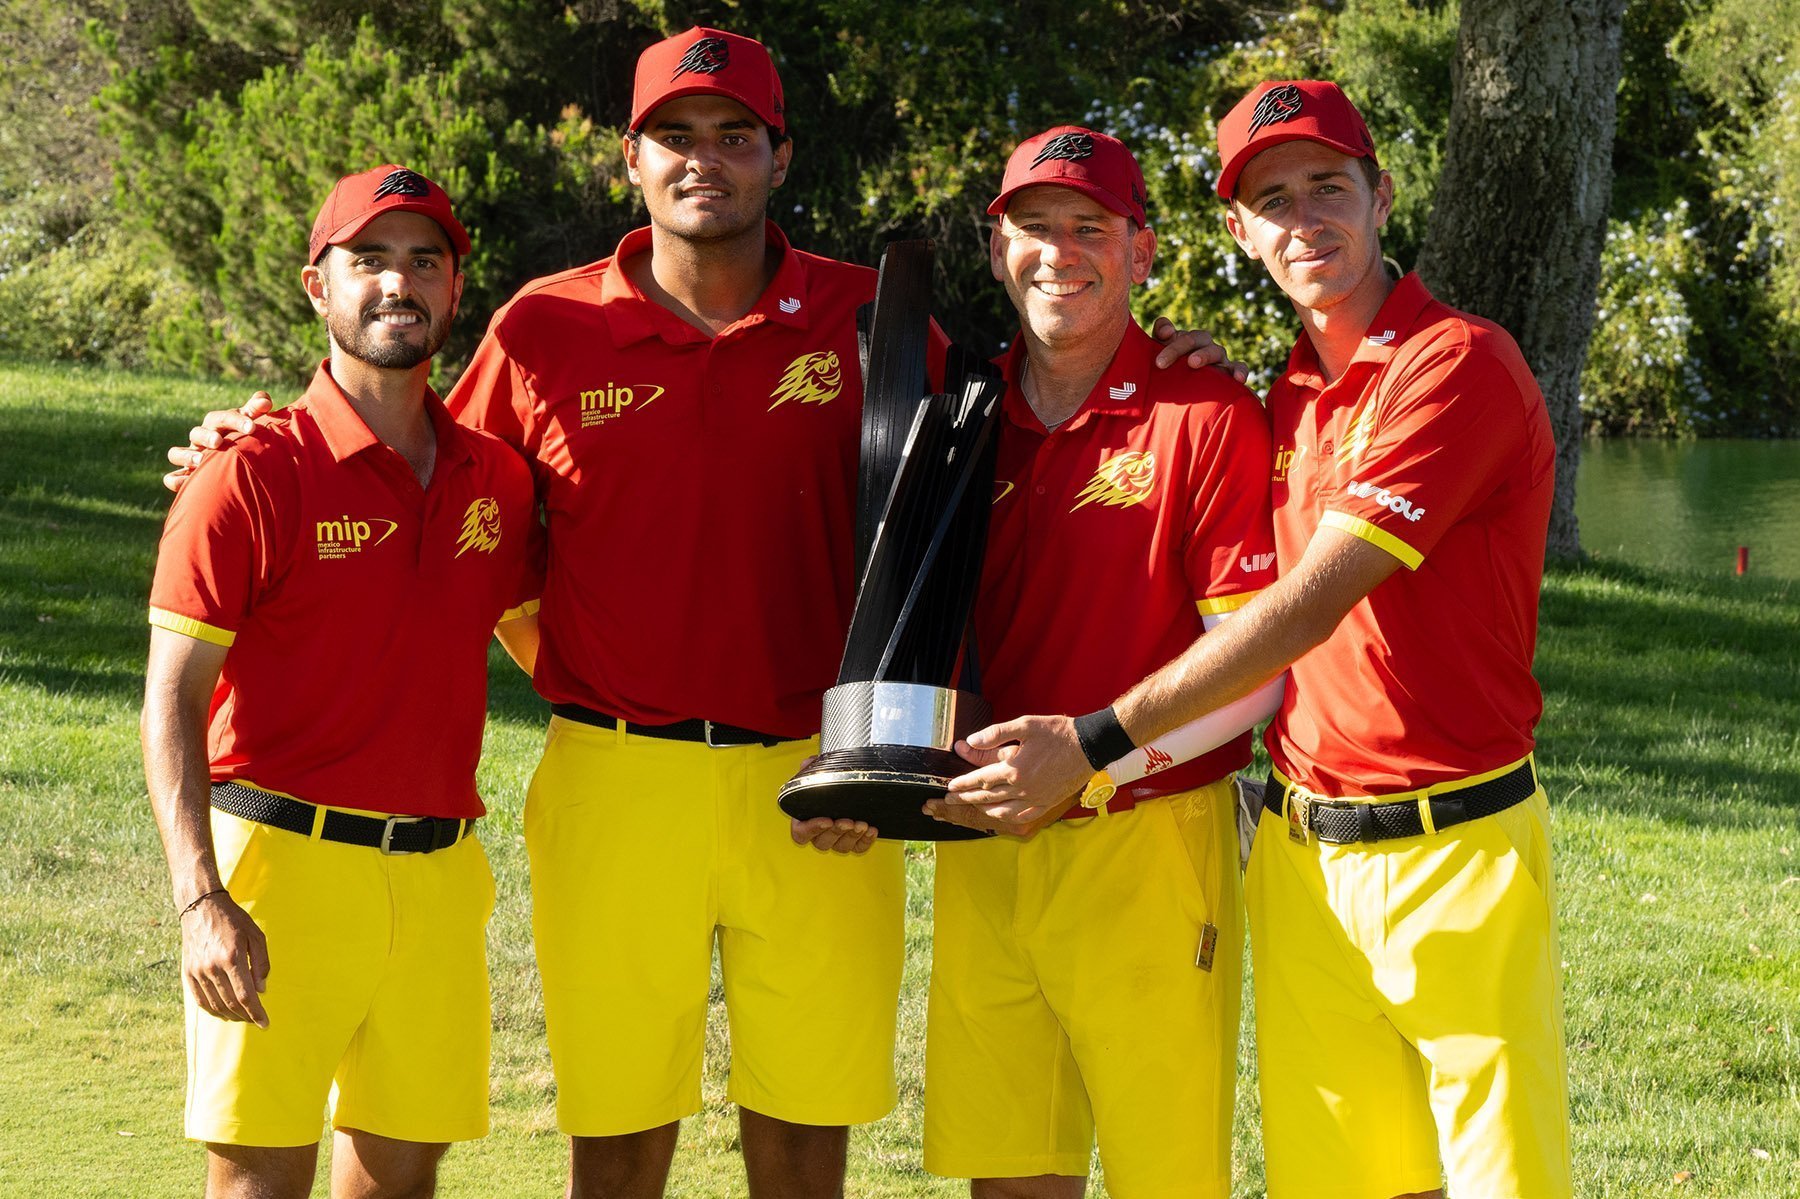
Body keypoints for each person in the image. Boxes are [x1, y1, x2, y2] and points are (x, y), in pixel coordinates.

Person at [163, 29, 1231, 1198]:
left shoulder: (871, 319)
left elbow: (988, 451)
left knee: (806, 1127)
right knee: (618, 1135)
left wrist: (1173, 353)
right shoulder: (541, 329)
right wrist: (244, 441)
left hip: (818, 783)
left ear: (781, 155)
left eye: (734, 136)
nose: (703, 159)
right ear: (633, 158)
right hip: (617, 778)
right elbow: (445, 489)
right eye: (675, 136)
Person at [942, 81, 1570, 1199]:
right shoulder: (1276, 392)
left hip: (1457, 842)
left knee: (1496, 1180)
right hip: (1300, 851)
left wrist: (1092, 743)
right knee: (1349, 1181)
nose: (1304, 220)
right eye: (1272, 200)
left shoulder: (1455, 362)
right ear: (1240, 232)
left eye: (1328, 187)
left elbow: (1311, 603)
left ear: (1380, 196)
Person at [801, 127, 1282, 1197]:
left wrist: (1096, 760)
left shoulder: (1206, 413)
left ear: (1142, 251)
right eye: (1033, 228)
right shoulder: (963, 415)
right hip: (988, 836)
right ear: (994, 248)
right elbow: (912, 631)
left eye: (1089, 228)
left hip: (1146, 842)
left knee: (1167, 1173)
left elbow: (1256, 673)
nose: (1059, 252)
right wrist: (868, 779)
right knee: (1010, 1173)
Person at [141, 165, 540, 1199]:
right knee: (260, 1182)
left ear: (457, 291)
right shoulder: (247, 472)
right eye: (368, 260)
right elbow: (172, 699)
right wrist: (200, 900)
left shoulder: (496, 476)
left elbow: (554, 627)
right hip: (280, 863)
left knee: (403, 1181)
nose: (396, 284)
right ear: (319, 286)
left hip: (440, 871)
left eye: (423, 262)